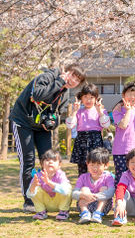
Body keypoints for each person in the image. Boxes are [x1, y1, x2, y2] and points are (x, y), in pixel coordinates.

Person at [11, 63, 85, 212]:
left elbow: (57, 114)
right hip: (22, 122)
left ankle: (48, 195)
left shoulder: (64, 94)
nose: (73, 81)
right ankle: (29, 200)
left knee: (48, 160)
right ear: (65, 71)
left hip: (41, 128)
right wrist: (59, 82)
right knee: (28, 160)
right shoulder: (47, 77)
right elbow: (37, 94)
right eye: (72, 75)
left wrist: (52, 123)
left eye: (77, 80)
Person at [66, 83, 110, 176]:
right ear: (81, 98)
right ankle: (82, 187)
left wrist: (100, 112)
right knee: (82, 167)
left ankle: (97, 186)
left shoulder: (100, 110)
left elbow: (106, 124)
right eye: (85, 97)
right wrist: (74, 111)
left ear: (96, 98)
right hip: (81, 139)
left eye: (91, 97)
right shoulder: (79, 111)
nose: (88, 100)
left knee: (97, 165)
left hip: (96, 139)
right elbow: (70, 125)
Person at [72, 147, 115, 224]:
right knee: (84, 189)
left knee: (104, 188)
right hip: (85, 204)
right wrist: (84, 195)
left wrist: (94, 197)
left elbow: (111, 192)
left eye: (98, 165)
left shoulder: (108, 177)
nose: (95, 168)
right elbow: (74, 193)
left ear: (106, 165)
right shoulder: (83, 177)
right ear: (87, 164)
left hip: (103, 206)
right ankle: (85, 213)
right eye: (92, 164)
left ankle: (98, 214)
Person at [26, 149, 72, 221]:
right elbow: (29, 195)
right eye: (47, 160)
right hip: (45, 204)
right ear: (42, 164)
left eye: (54, 160)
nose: (50, 162)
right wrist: (33, 186)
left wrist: (48, 183)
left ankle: (64, 211)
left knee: (68, 187)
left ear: (59, 165)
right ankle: (41, 212)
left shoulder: (61, 175)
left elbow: (65, 191)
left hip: (59, 203)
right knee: (35, 188)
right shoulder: (38, 176)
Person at [112, 83, 135, 186]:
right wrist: (128, 110)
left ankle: (133, 199)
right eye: (129, 94)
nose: (132, 97)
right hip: (120, 150)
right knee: (121, 177)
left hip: (134, 150)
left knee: (134, 177)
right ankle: (120, 199)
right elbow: (123, 125)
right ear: (123, 95)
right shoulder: (118, 110)